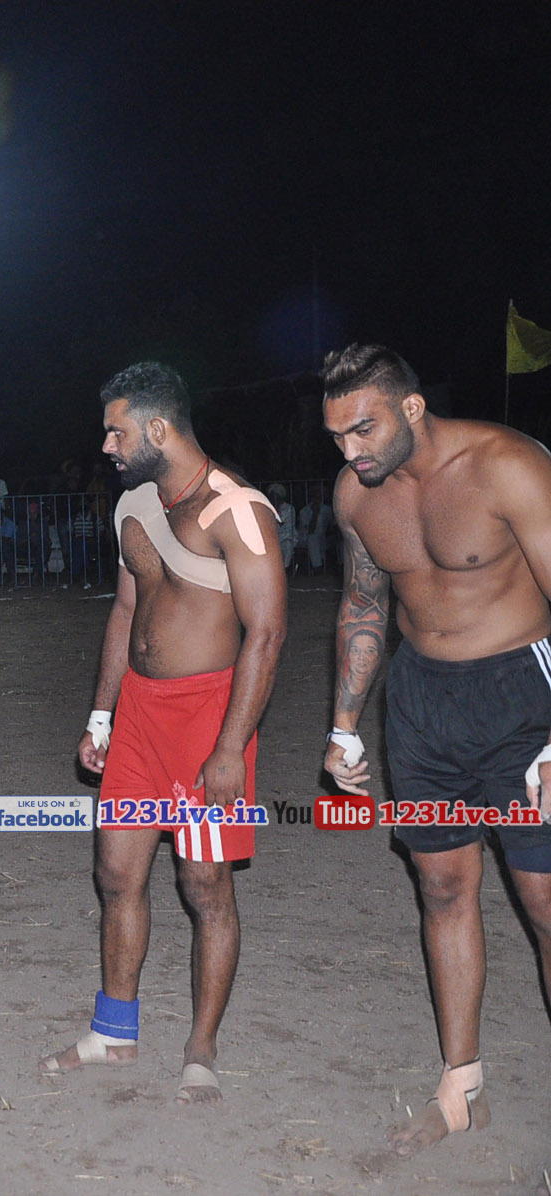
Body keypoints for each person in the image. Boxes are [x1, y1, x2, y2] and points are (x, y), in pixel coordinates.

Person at [318, 343, 551, 1156]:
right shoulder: (356, 492)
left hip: (523, 700)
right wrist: (344, 725)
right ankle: (461, 1090)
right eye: (337, 436)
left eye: (364, 429)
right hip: (420, 703)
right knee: (443, 887)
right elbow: (363, 605)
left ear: (412, 407)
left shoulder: (508, 466)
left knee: (545, 902)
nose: (351, 450)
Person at [40, 362, 285, 1106]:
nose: (106, 445)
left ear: (158, 428)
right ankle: (114, 1029)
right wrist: (102, 715)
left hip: (210, 718)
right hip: (139, 718)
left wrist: (229, 747)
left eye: (116, 432)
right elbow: (125, 612)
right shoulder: (132, 505)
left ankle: (201, 1048)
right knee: (117, 874)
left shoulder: (238, 510)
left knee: (204, 885)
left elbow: (267, 634)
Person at [268, 483, 296, 572]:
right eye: (272, 496)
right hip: (271, 538)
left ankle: (285, 569)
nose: (274, 498)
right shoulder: (267, 508)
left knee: (287, 545)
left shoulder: (289, 508)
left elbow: (284, 524)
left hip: (287, 536)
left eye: (276, 496)